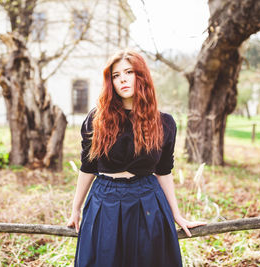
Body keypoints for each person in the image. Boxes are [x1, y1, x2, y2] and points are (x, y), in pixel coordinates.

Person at [67, 49, 206, 267]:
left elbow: (163, 171)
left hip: (147, 201)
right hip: (105, 201)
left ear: (141, 76)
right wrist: (75, 209)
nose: (122, 78)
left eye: (129, 72)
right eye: (115, 75)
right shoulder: (97, 119)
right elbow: (88, 167)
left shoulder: (164, 123)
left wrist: (176, 214)